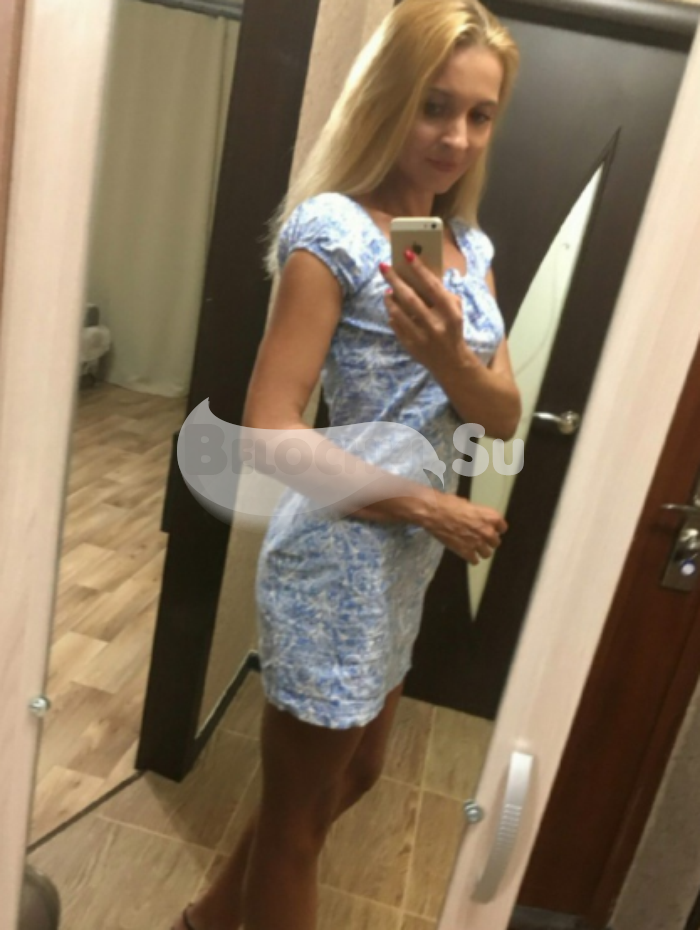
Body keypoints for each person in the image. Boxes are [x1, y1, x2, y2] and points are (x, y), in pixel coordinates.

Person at [172, 0, 520, 927]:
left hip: (401, 564)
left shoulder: (469, 249)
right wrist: (429, 505)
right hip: (336, 557)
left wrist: (450, 357)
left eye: (479, 115)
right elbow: (270, 431)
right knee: (298, 824)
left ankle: (207, 918)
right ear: (388, 98)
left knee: (355, 773)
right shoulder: (334, 231)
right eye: (434, 106)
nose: (455, 137)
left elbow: (503, 412)